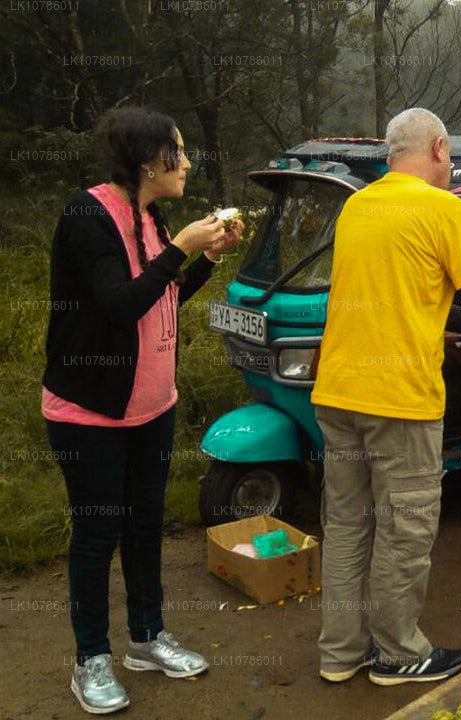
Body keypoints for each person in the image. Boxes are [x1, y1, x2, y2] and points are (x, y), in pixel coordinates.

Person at [310, 108, 461, 685]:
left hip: (337, 390)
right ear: (440, 148)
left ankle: (340, 654)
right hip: (399, 399)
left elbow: (408, 292)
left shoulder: (356, 206)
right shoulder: (445, 207)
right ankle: (397, 654)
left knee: (346, 524)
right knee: (404, 528)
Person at [43, 106, 241, 715]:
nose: (185, 164)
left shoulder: (151, 215)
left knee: (144, 526)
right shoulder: (87, 214)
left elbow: (165, 295)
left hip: (153, 407)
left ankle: (147, 638)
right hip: (91, 412)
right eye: (178, 153)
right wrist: (180, 248)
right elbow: (120, 303)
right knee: (98, 533)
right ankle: (90, 658)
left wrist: (202, 258)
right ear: (151, 161)